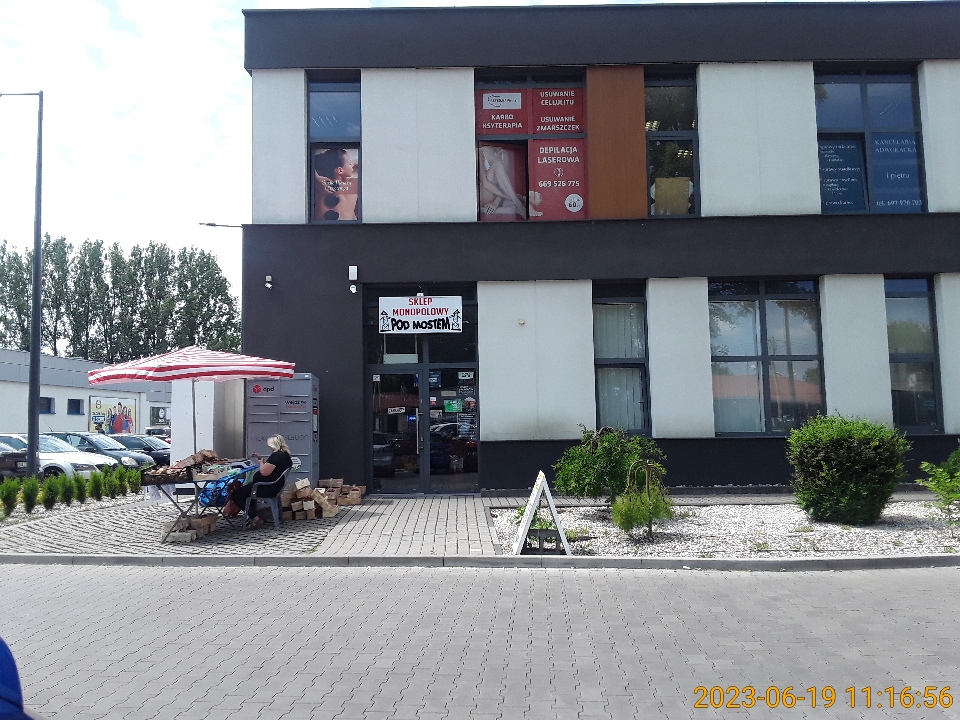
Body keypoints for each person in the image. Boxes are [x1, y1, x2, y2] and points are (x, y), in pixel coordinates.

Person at [223, 434, 293, 529]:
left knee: (236, 495)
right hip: (274, 486)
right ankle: (252, 516)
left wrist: (260, 462)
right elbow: (269, 469)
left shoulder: (276, 456)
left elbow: (264, 472)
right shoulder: (285, 455)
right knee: (246, 490)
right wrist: (261, 459)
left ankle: (255, 518)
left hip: (267, 488)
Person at [314, 148, 359, 221]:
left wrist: (316, 178)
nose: (352, 165)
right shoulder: (354, 185)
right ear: (340, 170)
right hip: (349, 227)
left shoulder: (317, 185)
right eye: (350, 163)